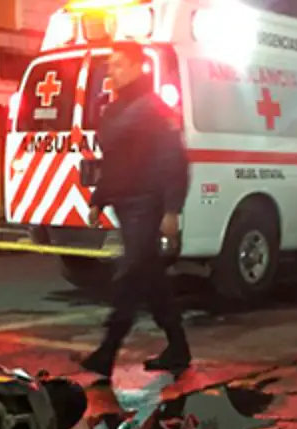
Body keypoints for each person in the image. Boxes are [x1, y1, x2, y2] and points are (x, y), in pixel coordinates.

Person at [78, 42, 191, 380]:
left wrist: (172, 209)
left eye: (118, 64)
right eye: (110, 65)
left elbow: (173, 160)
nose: (111, 71)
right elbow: (114, 161)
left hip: (146, 203)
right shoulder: (114, 110)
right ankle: (178, 347)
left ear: (136, 67)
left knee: (130, 273)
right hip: (125, 204)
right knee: (151, 276)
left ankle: (108, 350)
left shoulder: (154, 108)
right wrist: (98, 198)